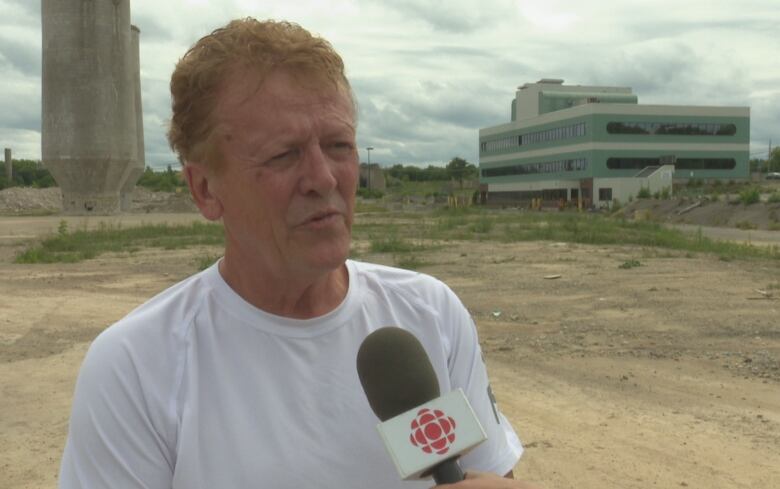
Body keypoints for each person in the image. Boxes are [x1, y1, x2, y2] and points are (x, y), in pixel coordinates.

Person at [58, 18, 538, 489]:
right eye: (284, 154)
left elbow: (488, 474)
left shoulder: (428, 317)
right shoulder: (136, 367)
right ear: (204, 189)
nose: (323, 178)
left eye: (338, 145)